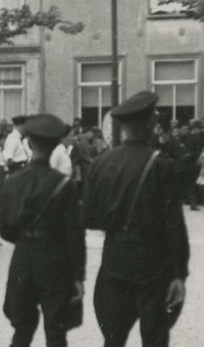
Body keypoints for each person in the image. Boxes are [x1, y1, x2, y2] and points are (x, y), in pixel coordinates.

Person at [81, 91, 189, 347]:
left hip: (114, 257)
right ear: (150, 125)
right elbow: (174, 224)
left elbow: (89, 217)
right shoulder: (161, 164)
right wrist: (179, 274)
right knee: (154, 338)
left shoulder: (100, 162)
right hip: (153, 261)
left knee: (113, 338)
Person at [0, 114, 86, 347]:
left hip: (24, 256)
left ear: (28, 144)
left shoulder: (12, 181)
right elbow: (74, 234)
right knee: (56, 331)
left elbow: (5, 230)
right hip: (55, 258)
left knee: (22, 330)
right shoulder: (64, 185)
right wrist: (78, 275)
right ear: (57, 145)